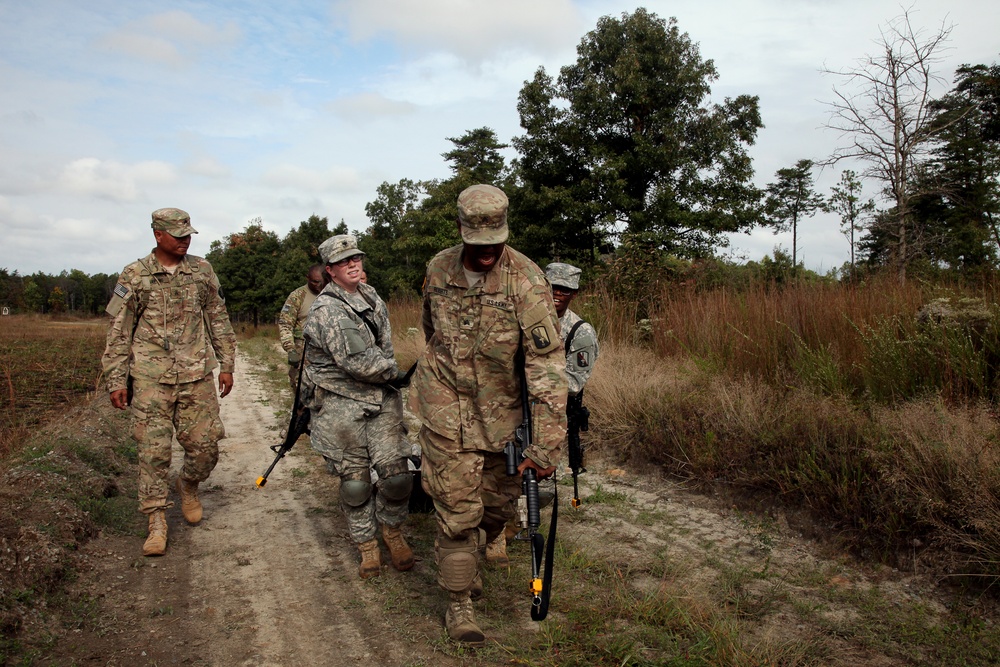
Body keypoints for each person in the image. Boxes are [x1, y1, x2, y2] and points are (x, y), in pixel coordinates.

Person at [408, 184, 567, 646]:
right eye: (476, 246)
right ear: (460, 231)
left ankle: (476, 548)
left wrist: (546, 445)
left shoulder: (527, 280)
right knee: (457, 512)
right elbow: (430, 328)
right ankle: (459, 603)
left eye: (494, 245)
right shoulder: (438, 267)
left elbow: (547, 366)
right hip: (444, 408)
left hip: (501, 415)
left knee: (495, 510)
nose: (485, 255)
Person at [101, 207, 236, 557]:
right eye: (178, 235)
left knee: (206, 448)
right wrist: (116, 379)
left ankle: (188, 483)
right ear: (158, 235)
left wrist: (227, 364)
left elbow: (218, 318)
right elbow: (119, 331)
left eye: (188, 234)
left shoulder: (202, 271)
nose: (185, 240)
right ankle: (156, 520)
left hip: (195, 376)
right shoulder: (135, 275)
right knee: (153, 453)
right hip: (150, 380)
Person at [301, 234, 414, 579]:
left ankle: (392, 531)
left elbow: (386, 345)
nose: (353, 264)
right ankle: (367, 545)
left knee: (397, 478)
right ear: (330, 271)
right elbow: (361, 362)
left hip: (381, 400)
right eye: (343, 261)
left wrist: (392, 379)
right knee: (356, 483)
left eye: (356, 258)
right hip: (341, 407)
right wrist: (403, 375)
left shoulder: (370, 295)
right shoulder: (327, 310)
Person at [484, 261, 600, 566]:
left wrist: (540, 377)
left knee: (543, 486)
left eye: (566, 290)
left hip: (549, 418)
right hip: (509, 410)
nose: (559, 294)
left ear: (575, 294)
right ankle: (494, 538)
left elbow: (574, 382)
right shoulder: (518, 318)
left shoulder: (579, 331)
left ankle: (511, 526)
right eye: (554, 287)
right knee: (503, 474)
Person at [277, 265, 325, 392]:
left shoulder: (331, 294)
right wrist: (290, 349)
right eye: (315, 281)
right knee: (302, 392)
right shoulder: (297, 296)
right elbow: (285, 323)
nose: (318, 285)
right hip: (303, 352)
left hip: (325, 352)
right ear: (307, 278)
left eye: (321, 281)